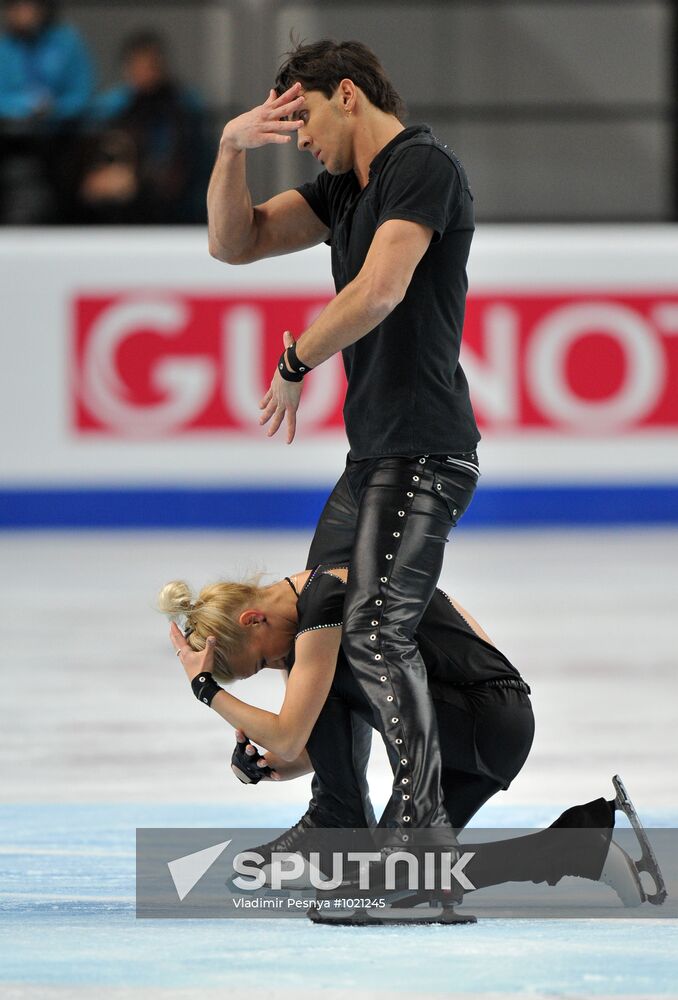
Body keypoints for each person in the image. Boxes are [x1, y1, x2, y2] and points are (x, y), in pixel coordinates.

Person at [207, 38, 480, 849]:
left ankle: (420, 841)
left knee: (375, 634)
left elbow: (381, 288)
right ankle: (337, 817)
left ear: (349, 94)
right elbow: (236, 243)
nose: (301, 139)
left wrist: (296, 358)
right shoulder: (343, 190)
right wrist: (229, 147)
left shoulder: (421, 168)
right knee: (315, 616)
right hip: (372, 459)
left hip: (426, 451)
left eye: (306, 119)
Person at [159, 564, 663, 912]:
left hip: (480, 720)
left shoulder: (325, 603)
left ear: (254, 619)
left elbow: (293, 733)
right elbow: (304, 744)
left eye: (263, 661)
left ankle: (338, 818)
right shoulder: (318, 601)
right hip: (479, 728)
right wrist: (270, 766)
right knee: (388, 889)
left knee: (325, 677)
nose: (276, 666)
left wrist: (207, 691)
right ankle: (577, 848)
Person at [79, 31, 207, 224]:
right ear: (127, 69)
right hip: (116, 213)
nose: (145, 73)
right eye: (137, 65)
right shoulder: (111, 108)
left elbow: (185, 169)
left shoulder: (184, 109)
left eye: (151, 66)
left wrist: (138, 180)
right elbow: (89, 162)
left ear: (163, 67)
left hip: (174, 209)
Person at [0, 0, 94, 222]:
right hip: (11, 140)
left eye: (29, 5)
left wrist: (54, 109)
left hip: (62, 136)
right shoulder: (3, 47)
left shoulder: (67, 42)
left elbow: (83, 93)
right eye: (17, 6)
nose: (23, 12)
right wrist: (25, 105)